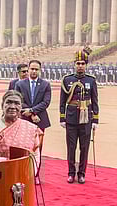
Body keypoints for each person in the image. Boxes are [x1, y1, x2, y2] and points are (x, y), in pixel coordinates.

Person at [60, 48, 99, 184]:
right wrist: (62, 117)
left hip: (86, 118)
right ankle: (71, 173)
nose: (80, 66)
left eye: (82, 63)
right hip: (71, 118)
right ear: (74, 64)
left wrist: (95, 120)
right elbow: (62, 100)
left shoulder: (91, 80)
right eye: (78, 63)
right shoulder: (67, 80)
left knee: (84, 147)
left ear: (86, 64)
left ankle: (81, 173)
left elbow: (95, 101)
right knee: (71, 147)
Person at [15, 59, 51, 183]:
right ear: (28, 69)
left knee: (37, 148)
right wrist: (31, 113)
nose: (34, 71)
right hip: (24, 119)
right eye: (32, 69)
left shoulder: (45, 85)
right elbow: (18, 100)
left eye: (36, 69)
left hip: (40, 120)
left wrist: (33, 111)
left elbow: (46, 102)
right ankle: (23, 173)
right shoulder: (20, 84)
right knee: (23, 146)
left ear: (40, 71)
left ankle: (35, 174)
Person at [0, 90, 43, 163]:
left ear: (21, 107)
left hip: (26, 172)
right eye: (8, 102)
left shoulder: (31, 128)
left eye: (17, 103)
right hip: (0, 171)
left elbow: (35, 157)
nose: (12, 107)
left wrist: (30, 173)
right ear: (2, 105)